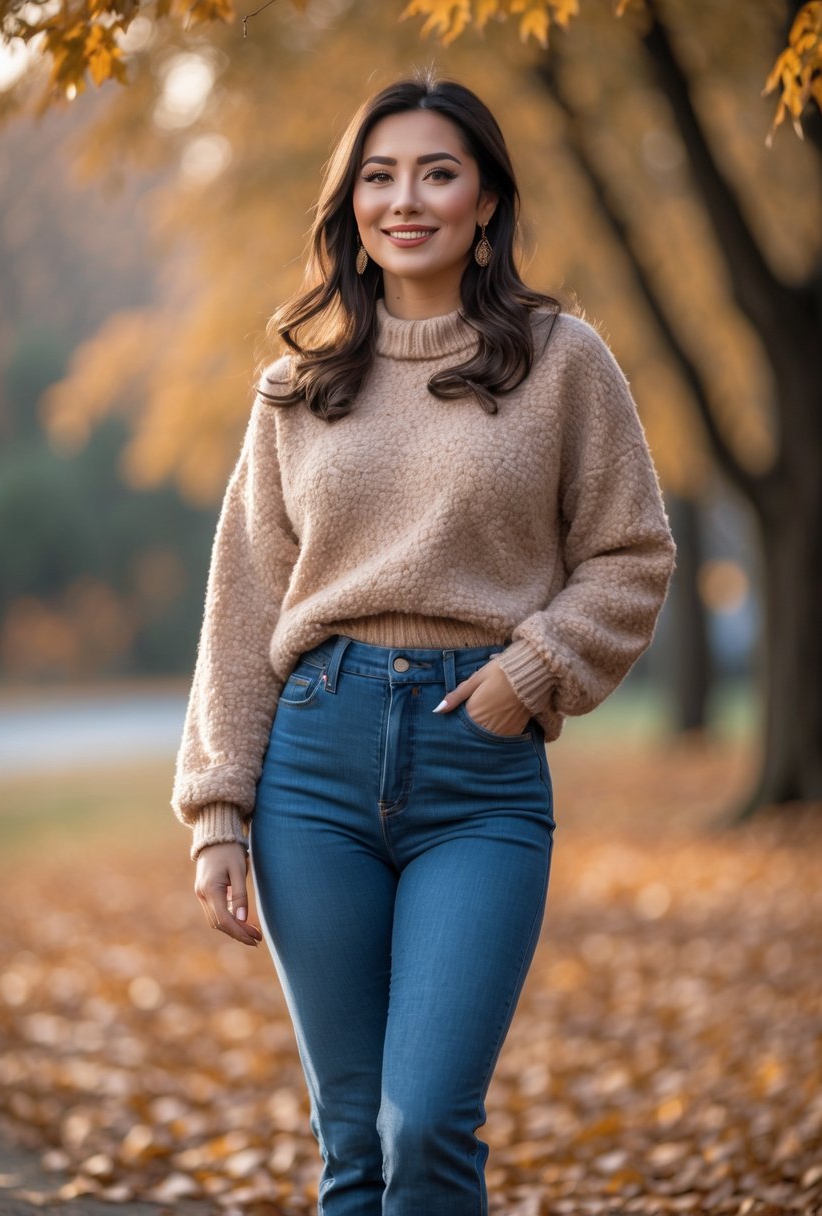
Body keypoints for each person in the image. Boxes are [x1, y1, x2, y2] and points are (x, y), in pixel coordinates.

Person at [172, 70, 676, 1216]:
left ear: (486, 200)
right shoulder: (297, 386)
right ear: (349, 201)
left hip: (480, 768)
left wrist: (534, 669)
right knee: (352, 1140)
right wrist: (218, 813)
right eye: (378, 175)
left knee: (428, 1122)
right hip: (313, 767)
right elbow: (244, 599)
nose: (405, 199)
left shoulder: (560, 359)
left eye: (437, 173)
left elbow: (632, 551)